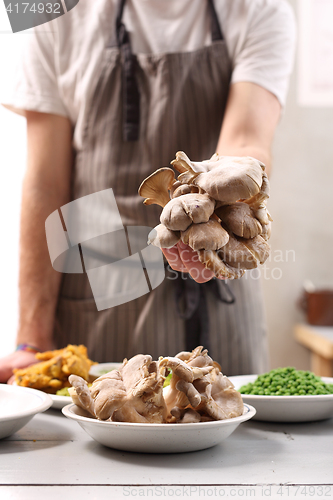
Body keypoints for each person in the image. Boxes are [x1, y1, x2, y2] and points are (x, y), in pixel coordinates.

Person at [0, 0, 296, 382]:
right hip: (100, 289)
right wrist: (31, 340)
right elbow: (45, 182)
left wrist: (209, 221)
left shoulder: (262, 9)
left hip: (217, 281)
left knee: (231, 430)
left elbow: (246, 139)